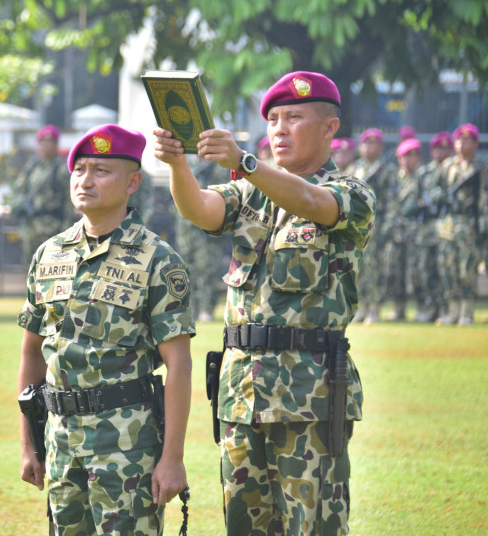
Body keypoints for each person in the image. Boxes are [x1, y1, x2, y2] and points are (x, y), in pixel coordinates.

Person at [154, 71, 375, 536]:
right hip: (242, 394)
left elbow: (313, 202)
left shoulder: (351, 194)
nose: (279, 128)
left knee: (311, 525)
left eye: (294, 117)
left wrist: (245, 161)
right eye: (273, 119)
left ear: (330, 128)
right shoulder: (248, 194)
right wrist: (178, 163)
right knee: (243, 525)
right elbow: (199, 209)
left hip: (308, 397)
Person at [17, 123, 195, 536]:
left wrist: (173, 458)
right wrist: (30, 444)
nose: (85, 180)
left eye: (101, 170)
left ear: (133, 182)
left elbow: (179, 366)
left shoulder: (157, 259)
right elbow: (31, 354)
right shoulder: (49, 254)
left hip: (127, 444)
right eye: (79, 169)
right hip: (62, 440)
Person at [435, 123, 485, 325]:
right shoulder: (448, 166)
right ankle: (453, 310)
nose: (462, 143)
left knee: (467, 269)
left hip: (468, 224)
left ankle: (467, 311)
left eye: (467, 139)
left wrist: (482, 227)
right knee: (448, 269)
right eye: (459, 139)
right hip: (448, 224)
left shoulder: (481, 168)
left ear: (475, 143)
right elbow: (437, 191)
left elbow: (483, 198)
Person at [349, 127, 397, 323]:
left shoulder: (387, 170)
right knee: (357, 267)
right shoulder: (354, 169)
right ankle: (360, 307)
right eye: (366, 143)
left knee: (374, 266)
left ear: (381, 147)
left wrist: (388, 226)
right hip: (356, 225)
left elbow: (392, 200)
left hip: (377, 222)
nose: (369, 147)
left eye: (374, 143)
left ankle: (374, 308)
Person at [10, 125, 74, 269]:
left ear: (56, 145)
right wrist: (20, 205)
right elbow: (19, 190)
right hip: (31, 226)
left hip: (52, 227)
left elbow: (68, 202)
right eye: (41, 142)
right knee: (30, 268)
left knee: (51, 268)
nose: (44, 146)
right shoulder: (32, 167)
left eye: (48, 142)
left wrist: (67, 230)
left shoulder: (61, 169)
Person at [174, 157, 230, 321]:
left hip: (207, 228)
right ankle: (191, 308)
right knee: (187, 269)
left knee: (207, 270)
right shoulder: (187, 164)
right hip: (186, 229)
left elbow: (223, 192)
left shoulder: (217, 167)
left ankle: (206, 309)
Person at [413, 132, 453, 322]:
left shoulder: (453, 170)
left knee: (444, 268)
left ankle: (446, 309)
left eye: (445, 148)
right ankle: (430, 307)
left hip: (447, 225)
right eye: (437, 148)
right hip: (427, 226)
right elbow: (417, 199)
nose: (441, 152)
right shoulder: (424, 173)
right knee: (426, 268)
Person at [383, 138, 424, 321]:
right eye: (404, 156)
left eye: (412, 155)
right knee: (395, 272)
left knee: (417, 272)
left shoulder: (423, 178)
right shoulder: (394, 179)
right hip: (396, 232)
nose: (407, 160)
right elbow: (389, 205)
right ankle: (399, 308)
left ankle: (423, 308)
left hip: (416, 232)